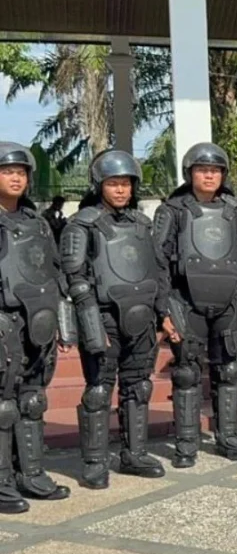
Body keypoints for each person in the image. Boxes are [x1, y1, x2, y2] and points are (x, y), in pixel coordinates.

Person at [61, 149, 167, 489]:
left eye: (126, 184)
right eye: (113, 183)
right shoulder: (83, 224)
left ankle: (133, 454)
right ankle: (94, 462)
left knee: (139, 386)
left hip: (142, 316)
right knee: (98, 391)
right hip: (104, 317)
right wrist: (91, 325)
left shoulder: (142, 223)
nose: (121, 190)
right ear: (99, 185)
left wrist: (164, 314)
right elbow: (74, 278)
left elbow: (157, 270)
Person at [154, 143, 237, 468]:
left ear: (223, 175)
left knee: (229, 370)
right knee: (186, 373)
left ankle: (227, 436)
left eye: (215, 170)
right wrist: (163, 310)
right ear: (190, 174)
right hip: (185, 300)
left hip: (229, 300)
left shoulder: (236, 210)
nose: (209, 175)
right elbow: (158, 262)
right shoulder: (171, 211)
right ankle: (186, 443)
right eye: (202, 170)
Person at [0, 142, 72, 512]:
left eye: (21, 172)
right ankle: (2, 482)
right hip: (3, 319)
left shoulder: (37, 221)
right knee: (3, 405)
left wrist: (61, 321)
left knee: (31, 399)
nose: (16, 177)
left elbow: (55, 271)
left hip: (38, 320)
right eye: (8, 171)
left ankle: (31, 473)